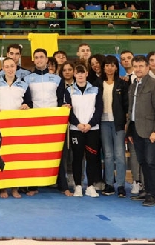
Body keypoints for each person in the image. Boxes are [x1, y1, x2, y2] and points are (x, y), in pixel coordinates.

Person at [24, 48, 66, 196]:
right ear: (34, 60)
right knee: (34, 153)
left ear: (47, 60)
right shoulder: (27, 79)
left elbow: (61, 99)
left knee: (57, 153)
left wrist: (64, 107)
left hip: (53, 121)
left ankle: (63, 185)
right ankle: (33, 186)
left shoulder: (56, 79)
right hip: (35, 121)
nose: (39, 60)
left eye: (42, 57)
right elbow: (26, 100)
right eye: (36, 57)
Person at [127, 55, 155, 207]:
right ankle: (146, 190)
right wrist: (129, 130)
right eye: (136, 66)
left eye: (141, 66)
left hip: (150, 131)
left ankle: (152, 194)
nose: (138, 69)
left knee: (151, 163)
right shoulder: (134, 84)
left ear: (148, 67)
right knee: (142, 161)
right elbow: (131, 109)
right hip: (136, 129)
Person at [0, 57, 31, 198]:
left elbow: (29, 102)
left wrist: (26, 106)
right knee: (1, 157)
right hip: (0, 126)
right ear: (3, 68)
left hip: (17, 126)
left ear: (16, 68)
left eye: (12, 66)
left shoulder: (24, 84)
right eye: (7, 66)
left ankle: (15, 187)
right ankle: (2, 188)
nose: (10, 69)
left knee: (15, 157)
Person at [64, 63, 103, 198]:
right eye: (77, 73)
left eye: (82, 72)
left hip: (92, 129)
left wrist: (90, 124)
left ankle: (90, 186)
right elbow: (68, 110)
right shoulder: (69, 91)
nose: (80, 75)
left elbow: (99, 109)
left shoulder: (96, 90)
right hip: (76, 129)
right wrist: (78, 124)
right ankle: (78, 186)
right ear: (74, 75)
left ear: (87, 73)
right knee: (77, 158)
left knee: (92, 158)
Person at [98, 55, 129, 197]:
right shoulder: (97, 83)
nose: (109, 68)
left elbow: (126, 105)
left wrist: (126, 123)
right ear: (103, 68)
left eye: (112, 65)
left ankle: (121, 185)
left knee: (120, 155)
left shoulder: (122, 84)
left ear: (116, 67)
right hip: (103, 122)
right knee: (108, 155)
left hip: (118, 123)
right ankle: (109, 183)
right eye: (107, 65)